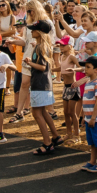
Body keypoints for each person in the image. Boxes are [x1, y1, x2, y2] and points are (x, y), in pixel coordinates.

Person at [26, 21, 62, 154]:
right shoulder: (43, 46)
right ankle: (55, 136)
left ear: (40, 32)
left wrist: (30, 63)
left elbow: (42, 67)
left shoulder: (40, 47)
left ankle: (47, 143)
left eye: (34, 29)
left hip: (39, 84)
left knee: (37, 113)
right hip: (44, 84)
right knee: (43, 112)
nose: (31, 31)